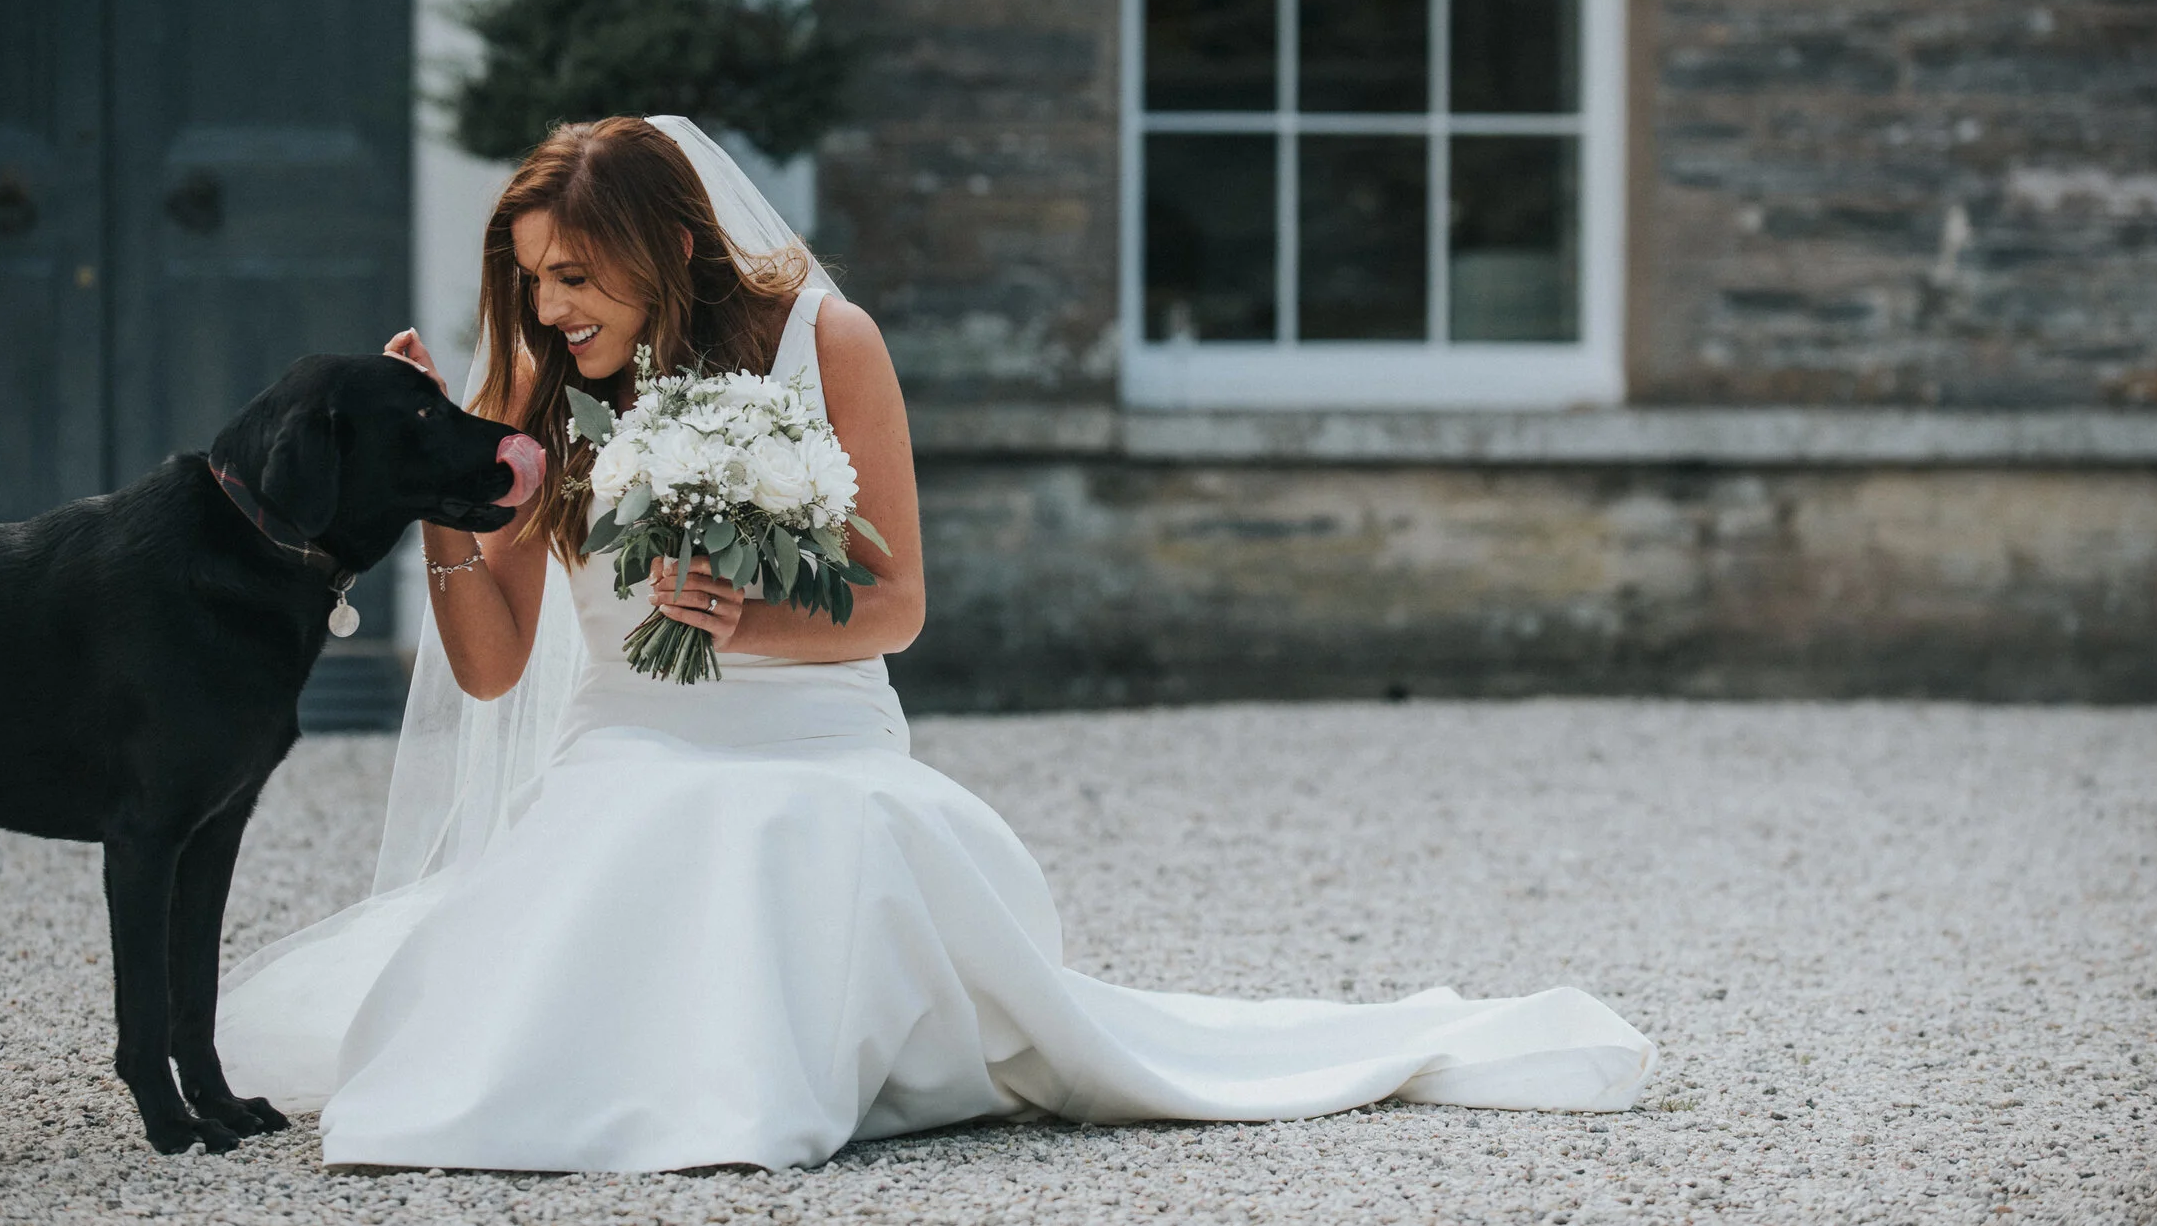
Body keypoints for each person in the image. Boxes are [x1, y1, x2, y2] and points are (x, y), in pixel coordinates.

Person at [213, 116, 1656, 1172]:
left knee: (780, 844)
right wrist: (434, 500)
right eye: (531, 278)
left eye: (576, 276)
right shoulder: (529, 385)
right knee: (604, 885)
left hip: (819, 741)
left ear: (665, 248)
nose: (549, 309)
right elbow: (487, 667)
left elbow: (897, 605)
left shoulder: (825, 341)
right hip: (630, 745)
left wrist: (752, 614)